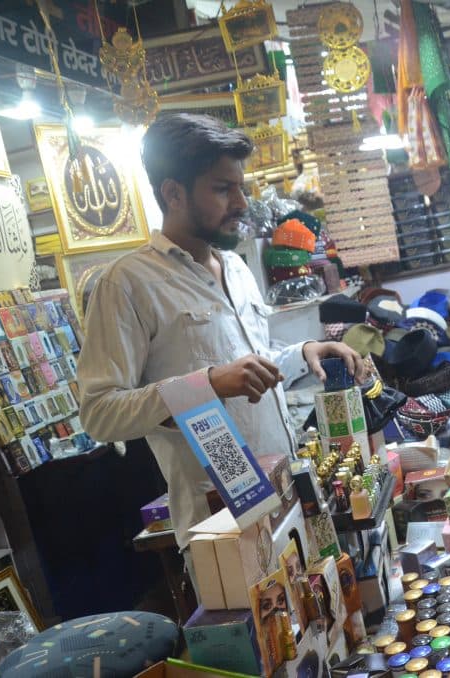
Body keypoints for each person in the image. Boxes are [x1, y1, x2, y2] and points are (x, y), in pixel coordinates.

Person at [78, 114, 368, 551]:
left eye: (241, 187)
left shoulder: (235, 267)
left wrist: (304, 352)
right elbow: (99, 412)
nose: (241, 203)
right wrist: (207, 385)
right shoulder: (128, 284)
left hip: (288, 501)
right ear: (173, 193)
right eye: (222, 189)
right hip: (221, 529)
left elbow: (249, 364)